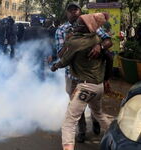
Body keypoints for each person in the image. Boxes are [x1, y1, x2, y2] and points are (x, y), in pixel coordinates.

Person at [51, 13, 112, 150]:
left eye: (79, 23)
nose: (76, 25)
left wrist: (54, 66)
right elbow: (109, 53)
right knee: (99, 114)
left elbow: (64, 60)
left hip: (86, 86)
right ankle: (117, 135)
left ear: (87, 27)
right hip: (98, 86)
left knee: (69, 122)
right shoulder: (96, 38)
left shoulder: (75, 42)